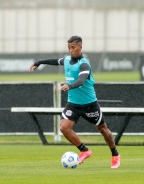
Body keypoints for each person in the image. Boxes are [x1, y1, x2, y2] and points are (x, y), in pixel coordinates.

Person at [29, 35, 121, 168]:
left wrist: (70, 86)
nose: (71, 50)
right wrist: (39, 62)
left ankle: (115, 154)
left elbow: (81, 80)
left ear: (80, 47)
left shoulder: (84, 64)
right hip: (73, 104)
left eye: (73, 47)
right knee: (64, 128)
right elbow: (55, 61)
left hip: (89, 104)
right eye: (69, 47)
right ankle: (84, 150)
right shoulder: (67, 60)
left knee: (102, 129)